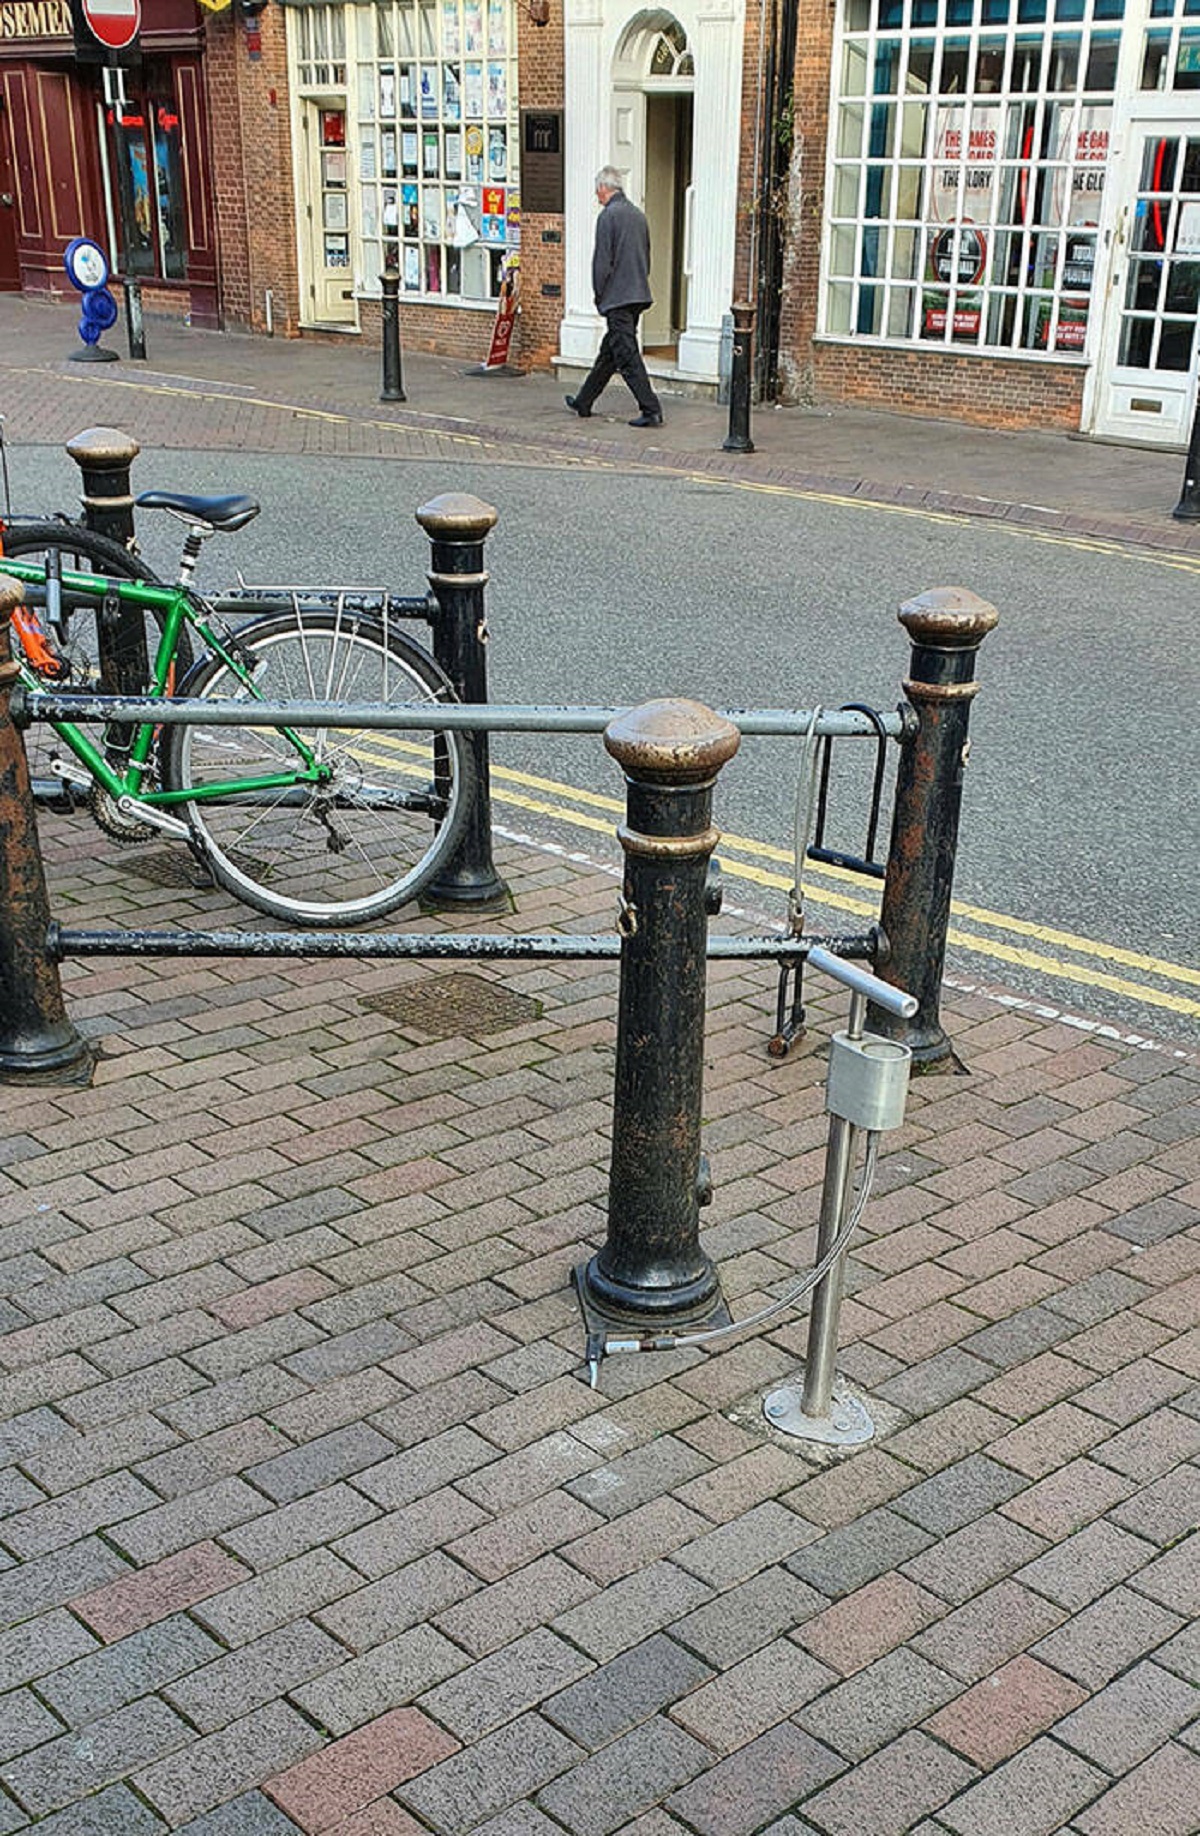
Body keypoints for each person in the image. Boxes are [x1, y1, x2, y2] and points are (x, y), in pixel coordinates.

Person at [566, 167, 663, 428]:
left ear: (603, 188)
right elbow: (646, 257)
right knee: (610, 353)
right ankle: (584, 400)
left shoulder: (608, 216)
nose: (596, 196)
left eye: (597, 191)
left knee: (627, 356)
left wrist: (600, 296)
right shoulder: (638, 215)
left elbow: (602, 263)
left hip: (617, 297)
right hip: (636, 294)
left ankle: (651, 409)